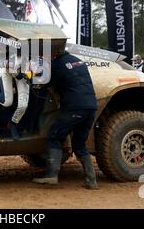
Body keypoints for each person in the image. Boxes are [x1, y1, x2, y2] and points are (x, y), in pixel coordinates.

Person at [32, 48, 98, 189]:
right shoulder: (78, 61)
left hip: (74, 107)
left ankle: (51, 175)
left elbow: (42, 82)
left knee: (54, 137)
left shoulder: (57, 65)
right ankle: (92, 180)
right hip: (91, 107)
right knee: (79, 144)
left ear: (54, 54)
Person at [0, 54, 31, 140]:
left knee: (23, 105)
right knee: (7, 102)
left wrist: (29, 74)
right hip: (7, 67)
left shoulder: (35, 60)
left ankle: (13, 123)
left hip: (23, 67)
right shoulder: (12, 59)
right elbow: (1, 63)